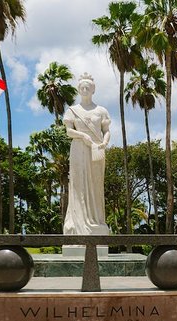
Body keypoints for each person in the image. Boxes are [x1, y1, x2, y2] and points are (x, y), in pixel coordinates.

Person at [62, 72, 111, 235]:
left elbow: (106, 130)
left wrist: (104, 143)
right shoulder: (73, 110)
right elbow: (69, 131)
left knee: (96, 184)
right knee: (78, 185)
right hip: (78, 148)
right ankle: (77, 222)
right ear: (78, 89)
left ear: (93, 89)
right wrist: (82, 135)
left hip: (96, 149)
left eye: (87, 87)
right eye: (82, 87)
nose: (84, 89)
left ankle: (96, 220)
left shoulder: (101, 110)